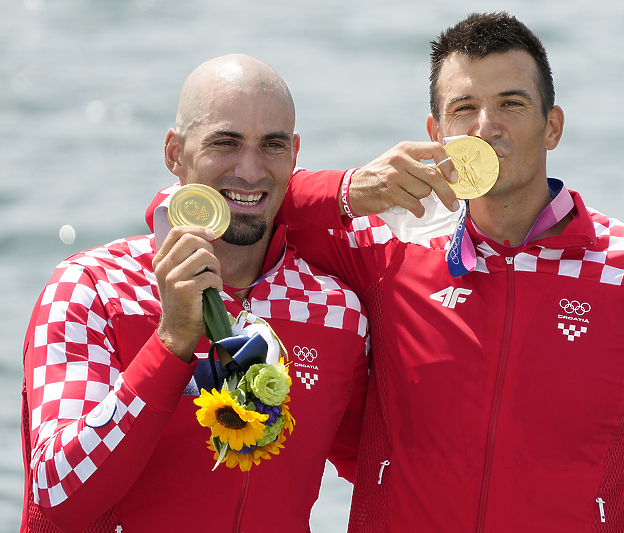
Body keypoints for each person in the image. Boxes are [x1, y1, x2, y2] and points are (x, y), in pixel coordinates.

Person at [281, 12, 624, 533]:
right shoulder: (387, 251)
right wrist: (349, 188)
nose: (487, 126)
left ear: (552, 127)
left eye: (511, 103)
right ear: (436, 134)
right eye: (465, 108)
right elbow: (254, 211)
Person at [20, 54, 369, 533]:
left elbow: (390, 470)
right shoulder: (93, 288)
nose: (250, 170)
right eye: (225, 143)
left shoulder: (337, 312)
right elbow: (58, 494)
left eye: (272, 145)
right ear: (174, 154)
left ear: (294, 153)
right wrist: (171, 343)